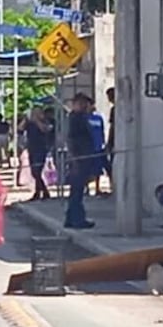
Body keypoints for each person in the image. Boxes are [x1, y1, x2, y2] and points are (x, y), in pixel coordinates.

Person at [64, 94, 96, 229]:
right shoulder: (75, 118)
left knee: (76, 190)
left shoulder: (81, 117)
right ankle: (77, 219)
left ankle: (71, 218)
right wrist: (75, 158)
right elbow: (71, 140)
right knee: (77, 190)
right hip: (79, 158)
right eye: (82, 103)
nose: (84, 106)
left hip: (83, 157)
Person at [20, 107, 53, 201]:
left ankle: (42, 192)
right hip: (32, 148)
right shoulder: (29, 123)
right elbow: (20, 129)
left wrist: (37, 121)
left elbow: (45, 130)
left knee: (37, 171)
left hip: (41, 148)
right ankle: (40, 192)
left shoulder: (44, 121)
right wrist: (25, 119)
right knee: (34, 172)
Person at [87, 104, 107, 196]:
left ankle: (97, 188)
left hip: (98, 147)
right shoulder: (83, 119)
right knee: (86, 168)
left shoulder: (98, 118)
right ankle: (86, 188)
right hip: (87, 147)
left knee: (98, 169)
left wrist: (103, 142)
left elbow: (102, 130)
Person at [105, 87, 116, 183]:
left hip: (115, 140)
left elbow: (112, 126)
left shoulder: (115, 110)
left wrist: (109, 141)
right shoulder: (114, 109)